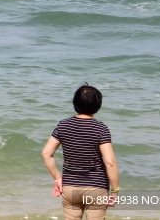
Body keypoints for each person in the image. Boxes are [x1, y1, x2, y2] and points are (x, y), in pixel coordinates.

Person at [42, 85, 120, 220]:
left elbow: (46, 154)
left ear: (75, 103)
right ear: (98, 105)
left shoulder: (63, 125)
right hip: (96, 187)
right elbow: (110, 162)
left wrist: (57, 178)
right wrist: (115, 190)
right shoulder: (101, 129)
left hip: (70, 187)